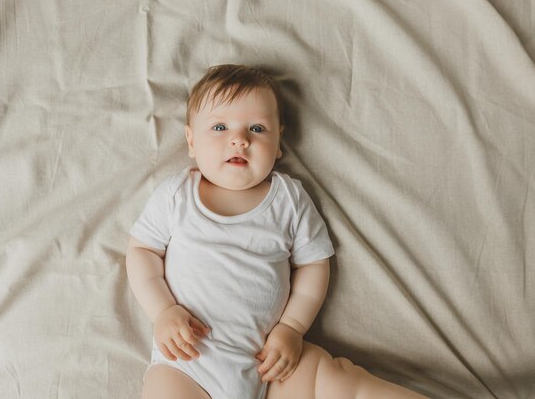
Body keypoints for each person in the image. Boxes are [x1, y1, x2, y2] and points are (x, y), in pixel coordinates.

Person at [126, 64, 427, 399]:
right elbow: (142, 251)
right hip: (187, 364)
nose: (239, 139)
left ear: (279, 141)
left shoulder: (289, 199)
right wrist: (163, 311)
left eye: (257, 128)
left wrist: (292, 328)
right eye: (220, 127)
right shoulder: (176, 194)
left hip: (271, 366)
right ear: (192, 141)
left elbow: (314, 264)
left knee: (341, 380)